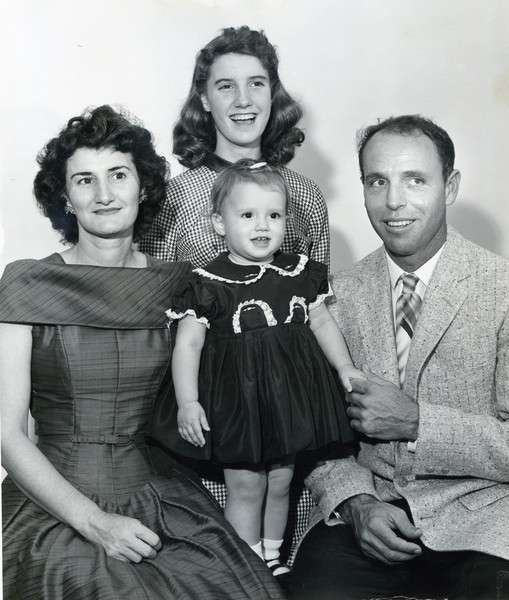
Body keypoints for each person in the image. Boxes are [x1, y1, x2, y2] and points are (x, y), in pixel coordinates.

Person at [0, 105, 284, 600]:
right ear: (64, 197)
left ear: (144, 187)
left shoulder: (180, 284)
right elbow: (6, 436)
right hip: (58, 506)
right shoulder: (27, 282)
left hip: (159, 495)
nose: (104, 194)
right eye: (84, 180)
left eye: (118, 175)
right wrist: (95, 523)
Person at [289, 115, 509, 600]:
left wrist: (418, 422)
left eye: (415, 180)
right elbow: (314, 439)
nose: (393, 201)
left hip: (487, 519)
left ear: (450, 187)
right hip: (371, 515)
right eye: (377, 181)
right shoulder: (333, 298)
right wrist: (356, 503)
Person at [163, 159, 360, 576]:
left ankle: (273, 557)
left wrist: (344, 367)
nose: (262, 226)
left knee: (282, 480)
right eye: (247, 215)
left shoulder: (299, 272)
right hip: (238, 403)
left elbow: (322, 322)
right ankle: (249, 566)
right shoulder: (207, 282)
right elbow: (188, 345)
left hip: (287, 398)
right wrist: (188, 402)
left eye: (274, 215)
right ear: (219, 223)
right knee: (246, 484)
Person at [139, 25, 330, 268]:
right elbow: (154, 288)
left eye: (256, 83)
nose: (243, 100)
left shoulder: (307, 195)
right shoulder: (171, 199)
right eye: (226, 86)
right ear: (205, 100)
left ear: (271, 93)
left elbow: (318, 287)